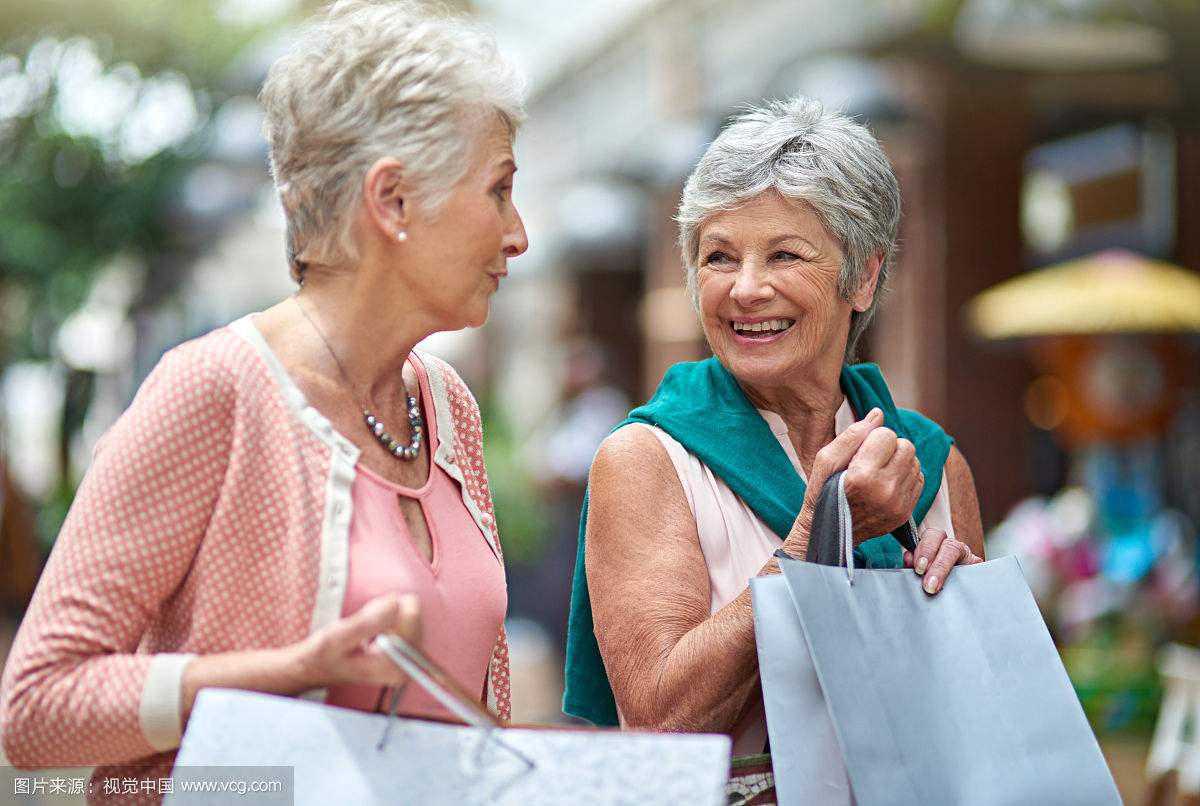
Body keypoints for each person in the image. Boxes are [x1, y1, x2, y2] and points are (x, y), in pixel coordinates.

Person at [0, 0, 528, 799]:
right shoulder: (214, 387)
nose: (518, 232)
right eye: (498, 189)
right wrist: (289, 672)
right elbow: (36, 707)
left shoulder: (446, 403)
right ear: (392, 202)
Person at [563, 97, 986, 789]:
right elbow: (662, 723)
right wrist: (810, 547)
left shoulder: (935, 465)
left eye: (784, 254)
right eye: (718, 257)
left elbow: (969, 721)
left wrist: (956, 611)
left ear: (864, 276)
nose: (746, 289)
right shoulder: (649, 457)